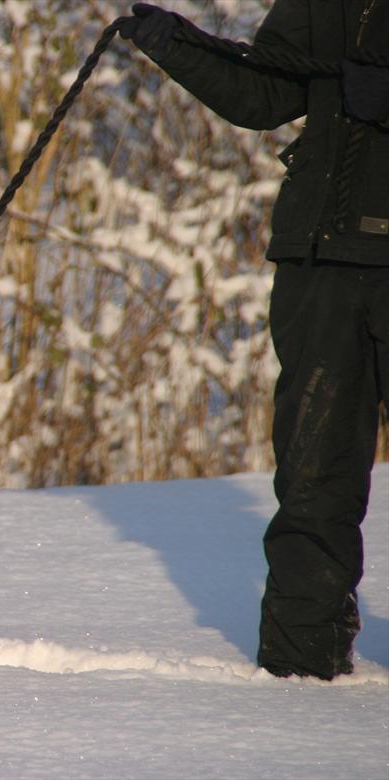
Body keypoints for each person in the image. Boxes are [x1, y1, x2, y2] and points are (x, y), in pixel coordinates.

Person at [120, 1, 389, 680]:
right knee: (309, 479)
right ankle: (301, 674)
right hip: (321, 260)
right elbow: (267, 92)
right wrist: (176, 44)